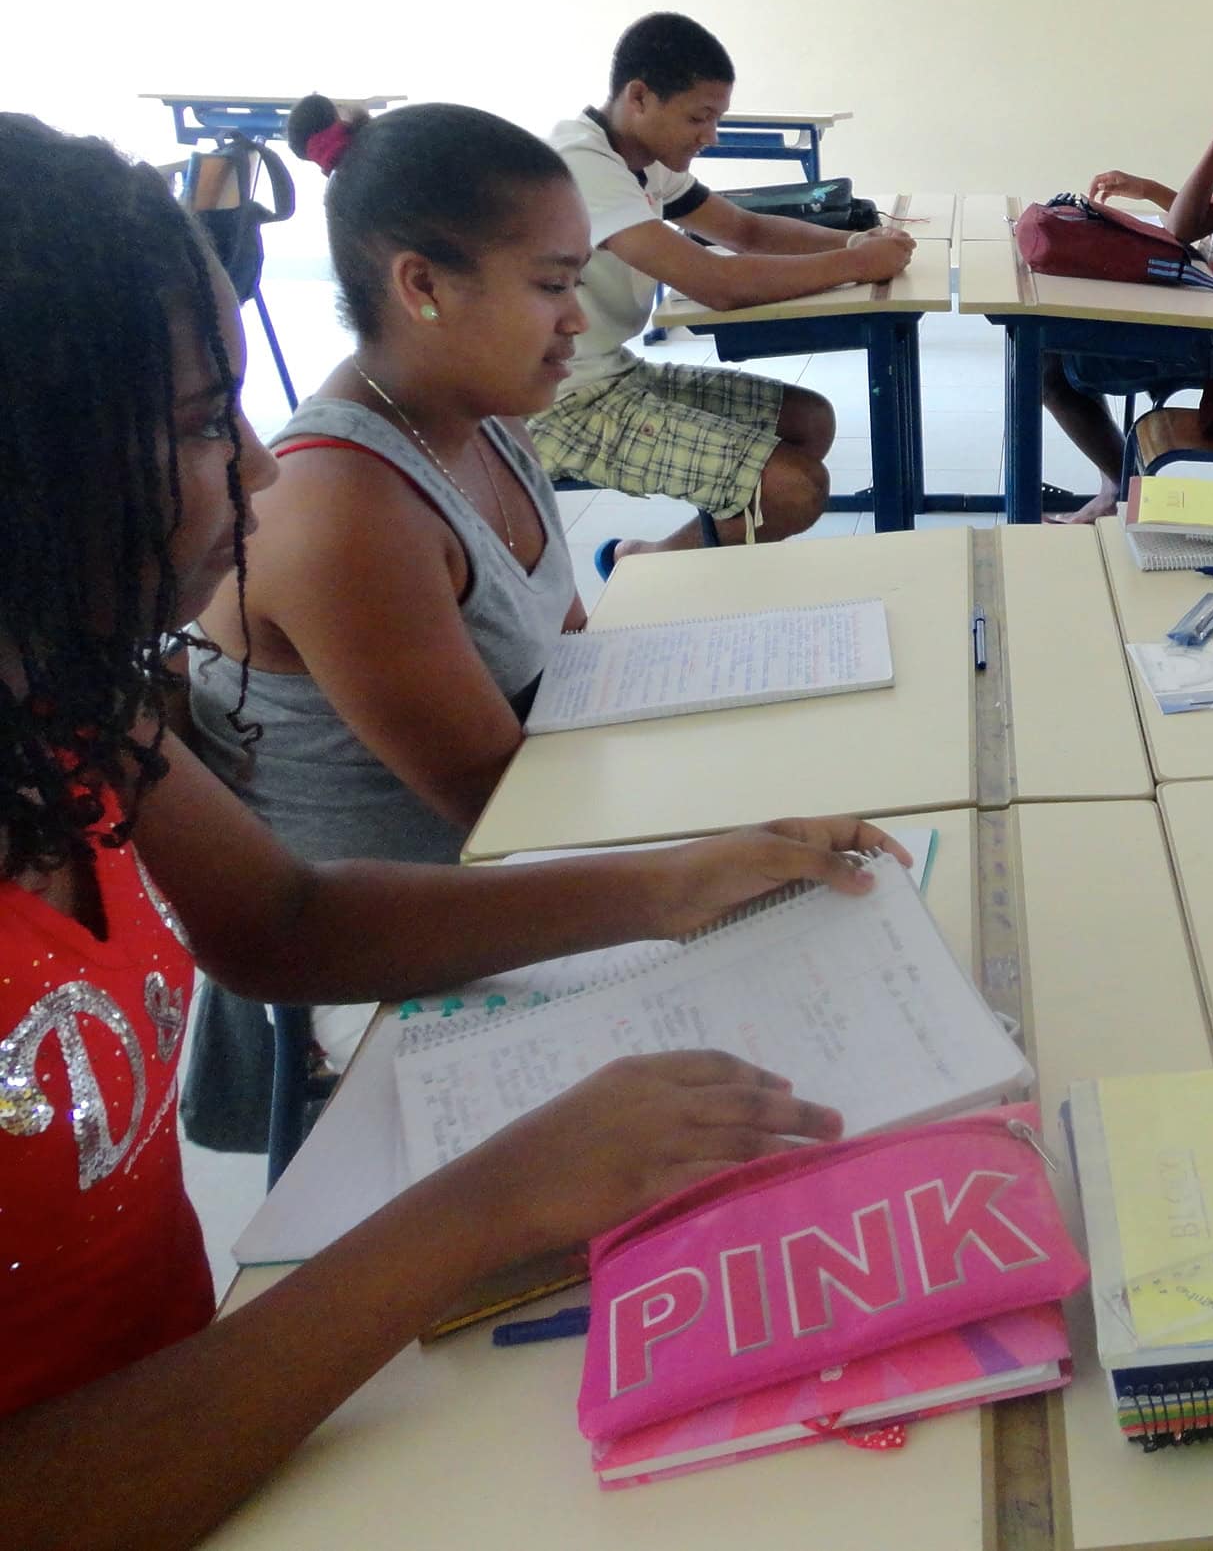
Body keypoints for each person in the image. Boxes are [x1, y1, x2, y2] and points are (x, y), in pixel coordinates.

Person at [0, 112, 908, 1545]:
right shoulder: (315, 520)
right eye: (191, 427)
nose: (257, 469)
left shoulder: (60, 703)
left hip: (220, 1392)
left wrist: (670, 883)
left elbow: (285, 919)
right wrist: (482, 1205)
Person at [176, 99, 593, 1149]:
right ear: (422, 287)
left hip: (510, 844)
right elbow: (503, 812)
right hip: (424, 906)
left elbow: (579, 650)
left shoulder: (482, 414)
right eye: (551, 285)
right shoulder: (342, 508)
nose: (578, 318)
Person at [531, 11, 917, 571]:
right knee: (794, 490)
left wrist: (857, 238)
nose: (710, 135)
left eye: (717, 117)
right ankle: (653, 568)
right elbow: (716, 284)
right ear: (639, 97)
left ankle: (694, 559)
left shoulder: (644, 161)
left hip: (610, 371)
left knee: (809, 421)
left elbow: (746, 231)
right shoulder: (581, 165)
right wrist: (853, 264)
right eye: (699, 117)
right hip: (559, 403)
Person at [1044, 15, 1213, 525]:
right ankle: (1119, 484)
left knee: (1050, 359)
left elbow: (1184, 228)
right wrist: (1149, 188)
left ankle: (1127, 493)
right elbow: (1212, 222)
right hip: (1211, 314)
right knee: (1069, 328)